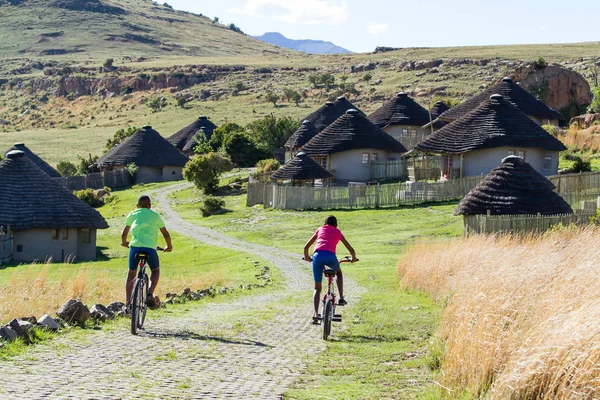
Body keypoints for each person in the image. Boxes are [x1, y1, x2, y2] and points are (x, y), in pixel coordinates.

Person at [121, 195, 172, 310]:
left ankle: (128, 303)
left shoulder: (133, 213)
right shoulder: (155, 216)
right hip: (150, 249)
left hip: (135, 248)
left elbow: (124, 233)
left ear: (137, 206)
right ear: (150, 206)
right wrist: (169, 246)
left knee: (131, 273)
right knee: (155, 270)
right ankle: (150, 292)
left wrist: (124, 242)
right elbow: (165, 233)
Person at [303, 215, 357, 324]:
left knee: (317, 288)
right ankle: (341, 297)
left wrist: (307, 257)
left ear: (324, 224)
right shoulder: (337, 232)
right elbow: (351, 249)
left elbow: (306, 247)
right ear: (335, 225)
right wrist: (353, 258)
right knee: (338, 272)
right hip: (331, 257)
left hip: (317, 257)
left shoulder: (320, 229)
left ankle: (316, 314)